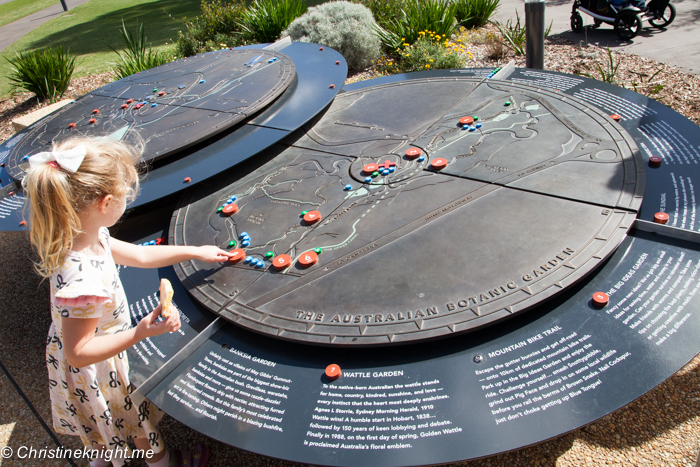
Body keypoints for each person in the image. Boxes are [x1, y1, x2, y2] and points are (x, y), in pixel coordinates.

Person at [22, 137, 234, 467]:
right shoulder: (83, 280)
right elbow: (78, 353)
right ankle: (163, 463)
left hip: (97, 354)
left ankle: (103, 459)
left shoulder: (85, 235)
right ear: (106, 203)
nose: (128, 200)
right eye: (125, 194)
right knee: (135, 421)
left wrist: (194, 251)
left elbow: (141, 254)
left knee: (103, 424)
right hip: (98, 368)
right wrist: (140, 332)